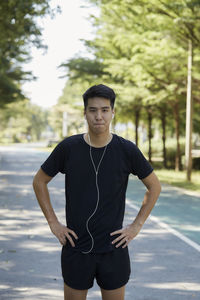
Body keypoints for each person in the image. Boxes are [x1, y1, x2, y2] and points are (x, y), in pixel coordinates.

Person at [33, 84, 161, 300]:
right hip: (76, 247)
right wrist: (54, 224)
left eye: (104, 110)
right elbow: (39, 181)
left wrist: (136, 226)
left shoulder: (126, 149)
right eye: (93, 110)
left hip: (113, 248)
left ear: (113, 112)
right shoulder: (69, 148)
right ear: (85, 113)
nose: (98, 116)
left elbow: (154, 186)